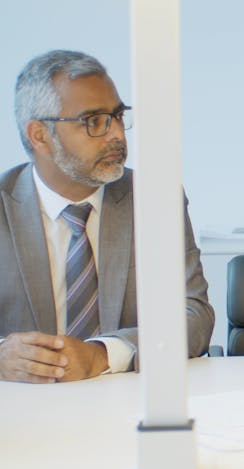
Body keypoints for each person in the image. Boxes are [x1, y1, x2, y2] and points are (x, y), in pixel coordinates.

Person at [0, 50, 214, 383]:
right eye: (94, 121)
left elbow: (195, 315)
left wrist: (102, 354)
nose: (117, 134)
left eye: (117, 115)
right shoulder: (4, 204)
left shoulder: (154, 198)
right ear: (40, 135)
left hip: (126, 401)